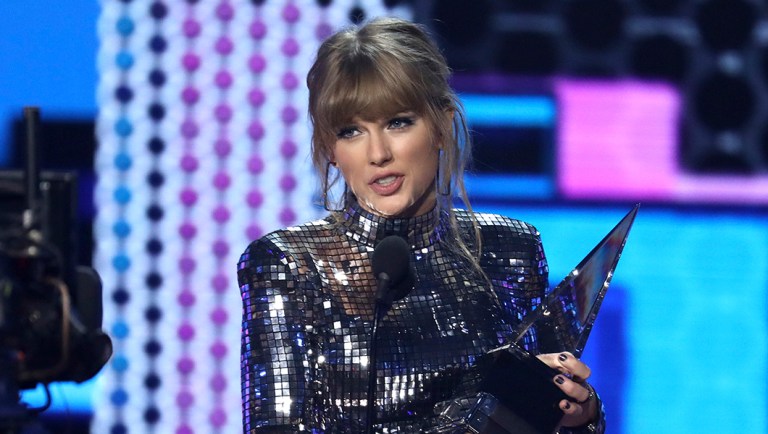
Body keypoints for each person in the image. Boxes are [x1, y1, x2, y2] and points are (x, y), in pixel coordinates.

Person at [238, 17, 606, 433]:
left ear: (442, 125)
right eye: (351, 131)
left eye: (397, 122)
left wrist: (581, 415)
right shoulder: (289, 264)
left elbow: (543, 416)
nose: (378, 153)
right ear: (331, 149)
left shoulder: (511, 249)